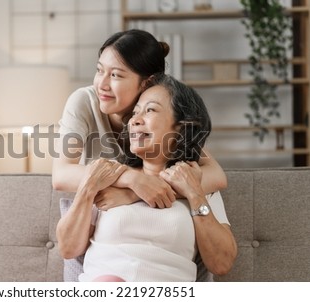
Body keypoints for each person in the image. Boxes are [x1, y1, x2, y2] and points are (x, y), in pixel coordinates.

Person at [56, 73, 238, 282]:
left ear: (180, 126)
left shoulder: (199, 183)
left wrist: (195, 194)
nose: (134, 120)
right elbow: (68, 248)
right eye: (134, 113)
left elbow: (222, 263)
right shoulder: (111, 177)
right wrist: (88, 188)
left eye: (150, 110)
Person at [52, 29, 227, 211]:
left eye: (115, 75)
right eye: (99, 70)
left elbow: (216, 175)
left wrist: (134, 194)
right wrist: (133, 179)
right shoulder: (84, 101)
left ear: (146, 83)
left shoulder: (159, 112)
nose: (102, 85)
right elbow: (61, 175)